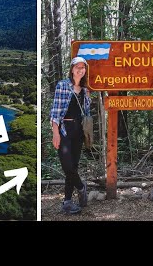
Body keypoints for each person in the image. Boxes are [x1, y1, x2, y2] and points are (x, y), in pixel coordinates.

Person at [50, 56, 91, 214]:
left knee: (72, 166)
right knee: (67, 166)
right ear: (72, 69)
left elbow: (86, 114)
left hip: (78, 131)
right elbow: (55, 111)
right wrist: (56, 133)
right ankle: (81, 187)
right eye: (77, 67)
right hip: (64, 129)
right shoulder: (62, 85)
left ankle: (67, 201)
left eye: (83, 67)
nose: (80, 70)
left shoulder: (85, 90)